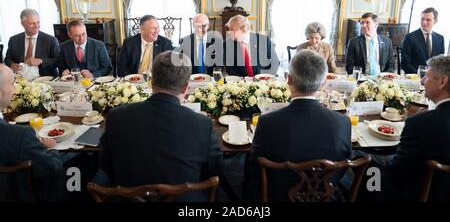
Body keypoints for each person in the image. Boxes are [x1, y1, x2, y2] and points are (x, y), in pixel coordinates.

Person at [100, 51, 224, 201]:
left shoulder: (116, 117)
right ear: (186, 88)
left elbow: (106, 166)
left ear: (151, 82)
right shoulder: (203, 124)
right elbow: (215, 170)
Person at [246, 50, 351, 201]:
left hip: (278, 197)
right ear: (323, 83)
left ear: (289, 79)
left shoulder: (267, 122)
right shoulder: (343, 122)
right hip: (324, 197)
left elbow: (255, 170)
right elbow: (341, 171)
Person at [381, 55, 450, 201]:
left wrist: (382, 160)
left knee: (368, 168)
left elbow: (397, 170)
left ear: (443, 82)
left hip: (416, 193)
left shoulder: (421, 122)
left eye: (427, 76)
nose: (422, 81)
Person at [0, 63, 63, 201]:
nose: (15, 89)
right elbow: (52, 169)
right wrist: (52, 149)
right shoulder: (20, 135)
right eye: (12, 84)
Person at [4, 9, 60, 77]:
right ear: (23, 24)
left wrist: (41, 61)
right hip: (21, 78)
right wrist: (12, 65)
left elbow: (58, 61)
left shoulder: (51, 40)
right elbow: (7, 59)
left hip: (44, 78)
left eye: (38, 22)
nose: (36, 26)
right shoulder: (14, 40)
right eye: (32, 23)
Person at [401, 7, 445, 74]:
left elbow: (441, 63)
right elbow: (405, 63)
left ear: (435, 21)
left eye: (428, 20)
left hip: (434, 79)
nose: (424, 23)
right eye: (422, 19)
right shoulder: (410, 37)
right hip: (414, 78)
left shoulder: (440, 39)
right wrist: (421, 75)